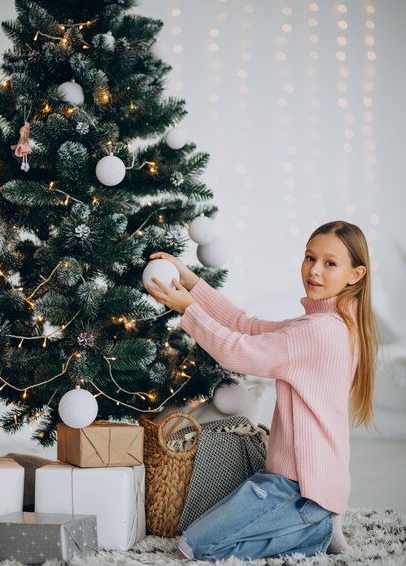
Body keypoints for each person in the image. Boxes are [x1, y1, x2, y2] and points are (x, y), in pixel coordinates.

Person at [145, 220, 379, 561]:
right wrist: (192, 283)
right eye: (309, 257)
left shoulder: (319, 332)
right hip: (296, 484)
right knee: (199, 538)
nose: (314, 270)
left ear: (355, 275)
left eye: (330, 263)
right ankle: (315, 524)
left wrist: (188, 310)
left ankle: (316, 527)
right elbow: (245, 325)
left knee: (192, 547)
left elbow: (236, 350)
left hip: (299, 491)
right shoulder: (333, 322)